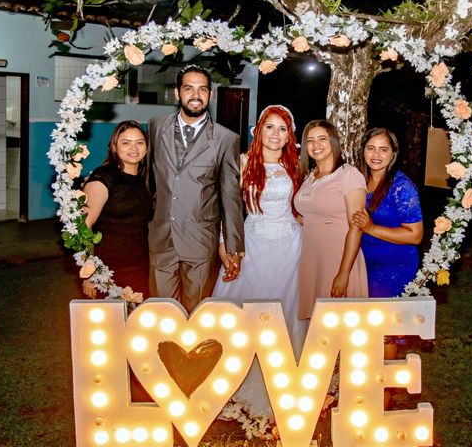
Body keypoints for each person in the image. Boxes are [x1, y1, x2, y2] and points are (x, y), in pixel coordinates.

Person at [213, 104, 308, 421]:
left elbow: (301, 209)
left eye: (283, 129)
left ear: (289, 136)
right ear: (259, 130)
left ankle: (282, 383)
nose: (276, 134)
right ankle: (235, 381)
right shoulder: (241, 163)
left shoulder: (294, 169)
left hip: (289, 249)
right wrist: (225, 246)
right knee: (245, 312)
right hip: (251, 247)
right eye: (270, 127)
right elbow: (227, 210)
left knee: (283, 313)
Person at [147, 64, 245, 312]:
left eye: (202, 89)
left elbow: (230, 196)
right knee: (161, 311)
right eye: (189, 88)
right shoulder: (157, 127)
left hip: (200, 241)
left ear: (210, 95)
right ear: (177, 93)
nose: (196, 95)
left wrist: (233, 245)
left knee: (197, 312)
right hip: (162, 238)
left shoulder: (226, 138)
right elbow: (149, 180)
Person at [294, 120, 369, 320]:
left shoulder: (349, 175)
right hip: (312, 258)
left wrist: (344, 273)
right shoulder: (310, 176)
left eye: (321, 139)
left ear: (333, 141)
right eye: (310, 141)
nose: (315, 145)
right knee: (316, 329)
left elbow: (357, 227)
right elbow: (306, 216)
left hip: (338, 258)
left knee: (339, 324)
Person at [82, 120, 152, 299]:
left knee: (137, 323)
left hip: (139, 267)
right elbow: (84, 226)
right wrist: (90, 271)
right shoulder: (103, 178)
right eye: (126, 143)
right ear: (114, 147)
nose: (133, 148)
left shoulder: (145, 179)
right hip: (107, 270)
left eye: (139, 142)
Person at [351, 127, 423, 298]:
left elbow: (415, 235)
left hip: (393, 267)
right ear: (363, 151)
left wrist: (371, 228)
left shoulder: (401, 186)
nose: (376, 155)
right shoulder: (359, 180)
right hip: (363, 263)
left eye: (383, 150)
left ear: (393, 154)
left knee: (384, 320)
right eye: (370, 148)